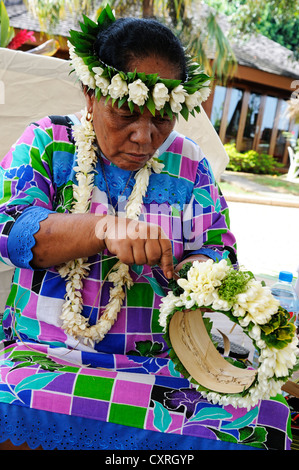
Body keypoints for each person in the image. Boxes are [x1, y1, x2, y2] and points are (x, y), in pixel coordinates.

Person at [0, 7, 291, 451]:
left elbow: (219, 249)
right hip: (43, 356)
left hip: (164, 365)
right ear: (90, 95)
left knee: (270, 425)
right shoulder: (46, 141)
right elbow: (10, 232)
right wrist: (103, 229)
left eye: (161, 119)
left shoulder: (189, 164)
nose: (144, 136)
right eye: (126, 114)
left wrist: (197, 272)